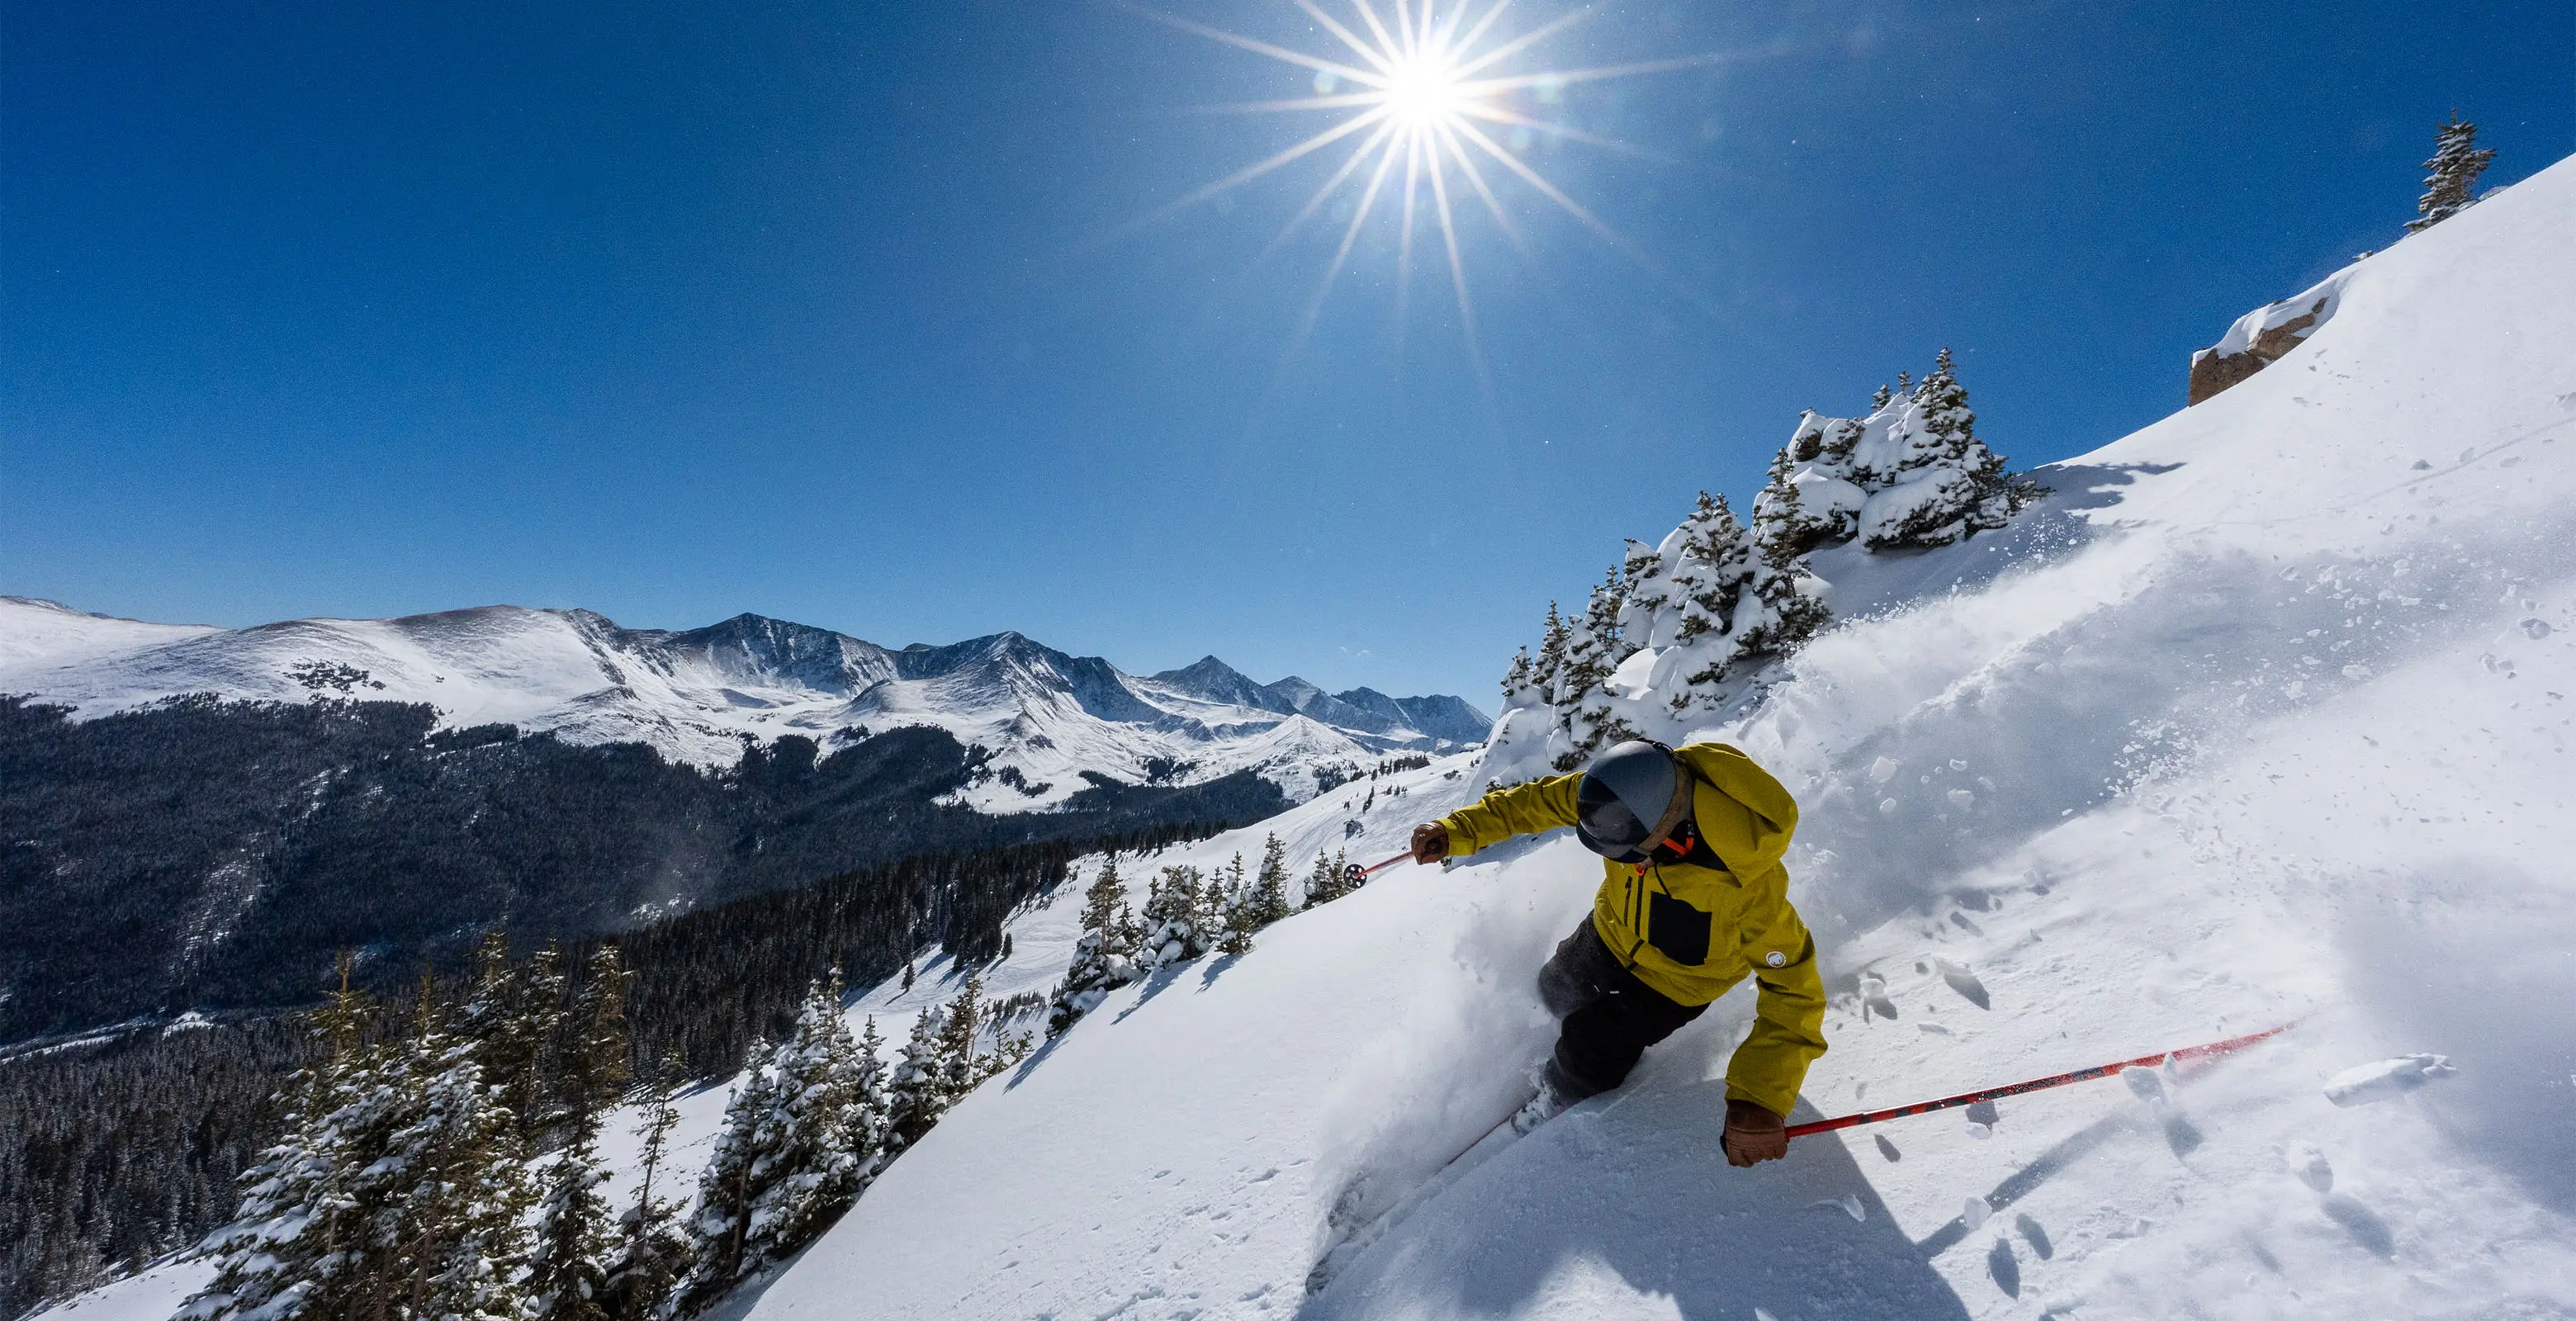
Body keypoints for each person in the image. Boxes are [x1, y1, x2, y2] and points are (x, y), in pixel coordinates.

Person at [1409, 740, 1826, 1164]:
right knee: (1552, 990)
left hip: (1675, 984)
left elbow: (1795, 993)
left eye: (1625, 852)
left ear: (1669, 838)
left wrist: (1759, 1098)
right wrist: (1459, 830)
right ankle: (1535, 1051)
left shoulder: (1749, 889)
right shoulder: (1621, 795)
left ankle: (1560, 1094)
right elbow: (1536, 802)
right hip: (1610, 933)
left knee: (1594, 1046)